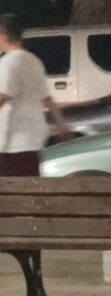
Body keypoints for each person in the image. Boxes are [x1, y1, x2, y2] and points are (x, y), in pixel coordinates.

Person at [0, 13, 70, 176]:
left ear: (2, 36)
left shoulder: (9, 63)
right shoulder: (33, 61)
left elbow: (2, 97)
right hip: (32, 142)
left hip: (11, 143)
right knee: (29, 184)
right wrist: (62, 125)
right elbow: (47, 98)